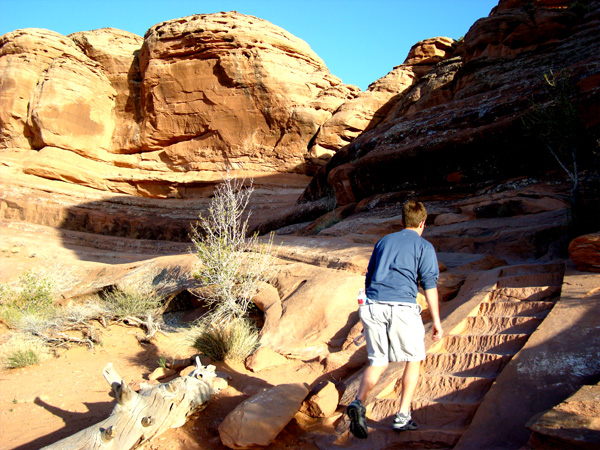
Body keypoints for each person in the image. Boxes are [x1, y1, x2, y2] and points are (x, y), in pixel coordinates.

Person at [346, 200, 443, 439]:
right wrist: (437, 322)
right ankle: (402, 417)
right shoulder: (424, 246)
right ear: (423, 223)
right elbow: (429, 285)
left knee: (378, 360)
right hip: (402, 307)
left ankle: (359, 403)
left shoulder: (383, 242)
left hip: (374, 306)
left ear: (401, 221)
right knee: (414, 359)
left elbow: (369, 277)